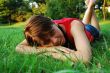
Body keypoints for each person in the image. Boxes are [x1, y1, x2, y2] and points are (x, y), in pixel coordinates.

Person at [16, 0, 100, 63]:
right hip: (80, 28)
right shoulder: (38, 34)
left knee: (95, 29)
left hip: (89, 31)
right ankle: (89, 6)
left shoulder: (74, 26)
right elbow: (19, 48)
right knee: (83, 23)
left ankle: (90, 6)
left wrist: (51, 54)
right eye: (46, 42)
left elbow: (85, 58)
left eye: (52, 32)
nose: (55, 41)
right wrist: (50, 49)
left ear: (54, 23)